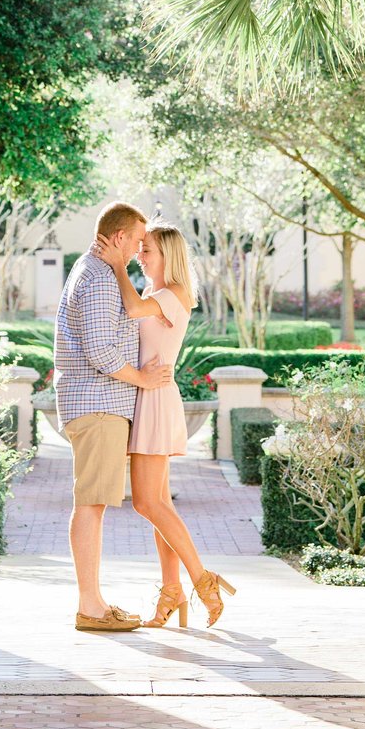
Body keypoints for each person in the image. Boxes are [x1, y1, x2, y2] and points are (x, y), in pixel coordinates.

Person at [50, 202, 177, 633]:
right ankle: (91, 606)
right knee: (91, 503)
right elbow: (102, 351)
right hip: (99, 403)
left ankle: (94, 601)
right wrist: (142, 379)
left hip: (94, 403)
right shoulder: (101, 278)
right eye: (139, 241)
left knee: (92, 502)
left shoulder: (92, 271)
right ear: (119, 238)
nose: (140, 250)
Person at [113, 224, 233, 629]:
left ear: (169, 256)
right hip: (149, 395)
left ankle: (202, 581)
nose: (140, 256)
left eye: (147, 251)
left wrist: (115, 263)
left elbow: (130, 310)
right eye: (140, 250)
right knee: (157, 504)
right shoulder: (154, 294)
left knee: (148, 503)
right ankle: (172, 591)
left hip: (156, 399)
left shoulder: (171, 294)